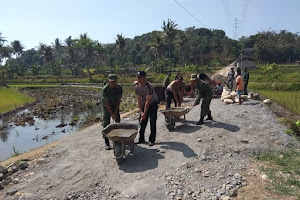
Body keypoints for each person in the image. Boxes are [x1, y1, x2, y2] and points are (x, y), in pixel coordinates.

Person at [135, 71, 158, 146]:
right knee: (142, 121)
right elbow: (139, 100)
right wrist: (141, 112)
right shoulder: (137, 87)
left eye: (140, 77)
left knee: (152, 121)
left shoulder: (149, 86)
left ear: (144, 78)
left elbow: (148, 101)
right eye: (137, 77)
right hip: (144, 103)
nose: (138, 79)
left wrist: (145, 113)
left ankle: (152, 140)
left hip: (152, 103)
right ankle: (141, 139)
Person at [102, 74, 123, 150]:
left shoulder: (119, 88)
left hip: (115, 106)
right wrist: (111, 113)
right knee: (106, 124)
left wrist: (115, 112)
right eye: (111, 82)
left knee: (117, 123)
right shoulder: (105, 89)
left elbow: (118, 101)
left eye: (114, 82)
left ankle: (118, 140)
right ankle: (106, 142)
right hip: (107, 107)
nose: (113, 83)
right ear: (108, 81)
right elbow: (107, 103)